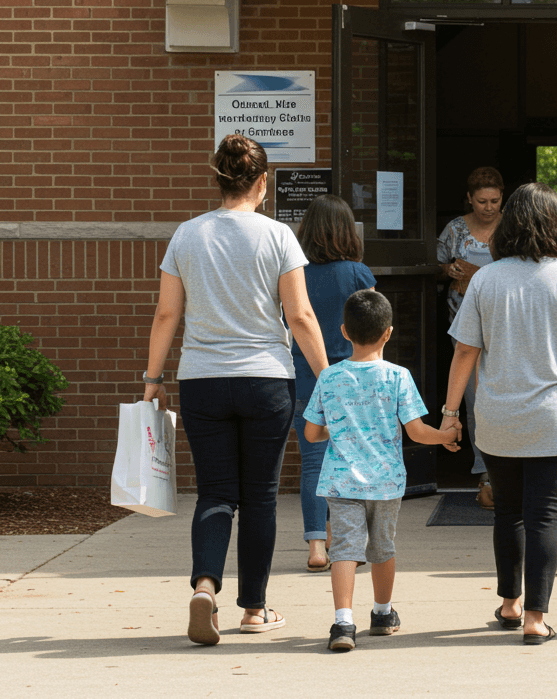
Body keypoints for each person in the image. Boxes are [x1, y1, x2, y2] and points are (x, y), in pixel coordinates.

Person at [144, 134, 330, 645]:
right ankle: (254, 608)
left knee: (215, 491)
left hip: (202, 379)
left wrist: (152, 380)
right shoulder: (277, 236)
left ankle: (205, 586)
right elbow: (300, 314)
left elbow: (167, 313)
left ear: (219, 179)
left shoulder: (187, 234)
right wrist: (330, 376)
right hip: (267, 379)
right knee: (261, 497)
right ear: (262, 183)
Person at [442, 182, 557, 646]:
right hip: (556, 416)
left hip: (498, 415)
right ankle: (536, 618)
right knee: (545, 516)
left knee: (509, 514)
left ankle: (509, 602)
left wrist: (449, 412)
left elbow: (464, 352)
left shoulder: (485, 279)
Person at [302, 290, 461, 651]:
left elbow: (312, 433)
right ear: (388, 332)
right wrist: (445, 436)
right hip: (385, 482)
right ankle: (382, 613)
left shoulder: (329, 378)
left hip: (340, 483)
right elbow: (416, 431)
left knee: (343, 550)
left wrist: (338, 428)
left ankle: (343, 624)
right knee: (382, 548)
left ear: (344, 332)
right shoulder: (398, 377)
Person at [292, 194, 377, 573]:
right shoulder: (358, 274)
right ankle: (349, 544)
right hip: (353, 376)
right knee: (355, 460)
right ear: (347, 231)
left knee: (312, 460)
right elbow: (374, 328)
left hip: (304, 373)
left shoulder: (295, 274)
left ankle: (316, 544)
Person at [436, 166, 504, 508]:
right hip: (463, 322)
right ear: (469, 199)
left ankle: (506, 469)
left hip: (504, 322)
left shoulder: (511, 228)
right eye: (481, 201)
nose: (488, 207)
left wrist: (483, 274)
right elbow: (433, 264)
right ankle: (485, 469)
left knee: (503, 394)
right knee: (475, 399)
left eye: (494, 200)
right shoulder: (455, 229)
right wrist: (448, 270)